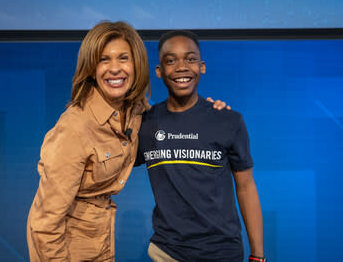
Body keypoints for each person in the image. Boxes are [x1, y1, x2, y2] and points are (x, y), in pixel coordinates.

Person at [27, 22, 228, 262]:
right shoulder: (74, 128)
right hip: (67, 248)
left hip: (101, 241)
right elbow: (44, 223)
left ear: (136, 66)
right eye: (104, 60)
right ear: (91, 68)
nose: (115, 69)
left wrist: (209, 111)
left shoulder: (135, 111)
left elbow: (172, 127)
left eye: (123, 58)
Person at [136, 30, 265, 262]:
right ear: (159, 71)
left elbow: (246, 188)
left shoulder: (228, 120)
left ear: (202, 67)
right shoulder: (145, 124)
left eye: (190, 59)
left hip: (223, 253)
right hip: (168, 252)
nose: (182, 67)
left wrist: (258, 255)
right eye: (170, 60)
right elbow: (112, 164)